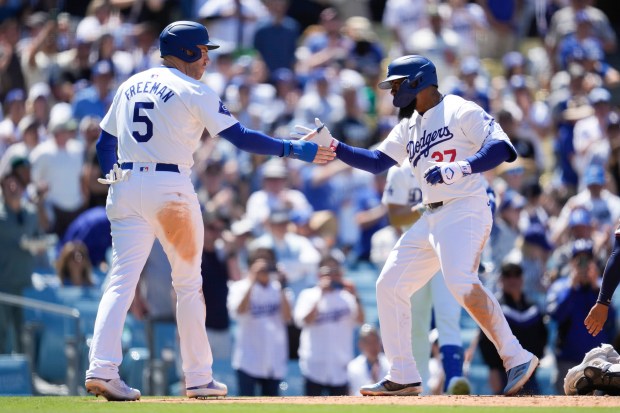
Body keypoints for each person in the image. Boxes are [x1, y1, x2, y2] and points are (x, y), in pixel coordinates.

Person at [85, 20, 334, 402]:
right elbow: (241, 138)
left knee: (121, 280)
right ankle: (199, 376)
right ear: (186, 52)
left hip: (125, 184)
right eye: (203, 51)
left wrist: (114, 176)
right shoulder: (193, 88)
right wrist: (293, 149)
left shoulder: (130, 83)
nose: (206, 58)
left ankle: (102, 368)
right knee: (187, 284)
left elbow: (105, 142)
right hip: (169, 187)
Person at [304, 54, 538, 396]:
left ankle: (516, 356)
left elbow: (502, 148)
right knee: (389, 285)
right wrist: (334, 146)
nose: (392, 90)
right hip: (431, 216)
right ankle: (402, 373)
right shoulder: (409, 125)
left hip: (465, 208)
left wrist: (462, 167)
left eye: (397, 83)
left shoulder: (459, 108)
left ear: (418, 80)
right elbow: (376, 162)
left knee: (460, 281)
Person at [381, 162, 469, 395]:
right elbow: (394, 217)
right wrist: (423, 208)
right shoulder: (400, 170)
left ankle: (453, 379)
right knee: (415, 325)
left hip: (444, 249)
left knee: (447, 315)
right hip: (414, 255)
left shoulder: (448, 159)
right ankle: (416, 388)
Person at [546, 238, 616, 394]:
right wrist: (572, 288)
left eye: (587, 259)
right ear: (572, 262)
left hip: (599, 363)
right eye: (579, 259)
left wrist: (596, 289)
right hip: (567, 361)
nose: (583, 264)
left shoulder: (603, 288)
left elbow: (611, 319)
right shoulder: (561, 286)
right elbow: (555, 315)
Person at [293, 253, 364, 396]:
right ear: (319, 275)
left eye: (335, 273)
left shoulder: (347, 296)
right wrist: (321, 294)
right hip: (314, 364)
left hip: (341, 365)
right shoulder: (309, 295)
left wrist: (356, 295)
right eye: (327, 274)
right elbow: (303, 321)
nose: (331, 277)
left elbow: (361, 320)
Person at [227, 246, 291, 396]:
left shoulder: (278, 288)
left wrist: (282, 285)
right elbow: (238, 311)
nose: (264, 270)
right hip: (248, 358)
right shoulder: (239, 287)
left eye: (267, 265)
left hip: (274, 358)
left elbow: (288, 317)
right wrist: (252, 281)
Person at [347, 324, 390, 396]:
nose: (372, 346)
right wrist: (373, 381)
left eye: (375, 341)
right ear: (360, 344)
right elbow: (355, 394)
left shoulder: (390, 363)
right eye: (368, 342)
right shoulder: (353, 367)